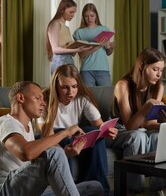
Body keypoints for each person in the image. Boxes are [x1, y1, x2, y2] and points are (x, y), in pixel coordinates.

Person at [0, 81, 104, 196]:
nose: (43, 103)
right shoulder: (7, 123)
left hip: (23, 188)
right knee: (55, 152)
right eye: (38, 98)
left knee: (94, 187)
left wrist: (66, 153)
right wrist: (65, 133)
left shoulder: (28, 125)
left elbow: (36, 162)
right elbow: (26, 152)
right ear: (21, 98)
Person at [41, 64, 118, 196]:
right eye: (65, 87)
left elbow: (99, 126)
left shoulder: (82, 99)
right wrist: (65, 148)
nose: (70, 92)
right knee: (65, 136)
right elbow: (46, 136)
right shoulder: (44, 100)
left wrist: (108, 131)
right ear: (56, 86)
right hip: (52, 138)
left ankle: (98, 191)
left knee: (96, 136)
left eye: (74, 86)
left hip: (73, 136)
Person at [108, 47, 166, 194]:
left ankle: (158, 190)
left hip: (141, 128)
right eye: (155, 69)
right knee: (138, 135)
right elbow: (129, 126)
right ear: (142, 66)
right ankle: (135, 189)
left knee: (158, 136)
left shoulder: (158, 87)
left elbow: (150, 123)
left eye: (161, 70)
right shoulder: (123, 85)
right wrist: (146, 107)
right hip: (117, 131)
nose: (159, 75)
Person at [45, 0, 92, 74]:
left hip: (69, 61)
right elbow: (55, 49)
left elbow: (71, 53)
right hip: (60, 62)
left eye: (74, 13)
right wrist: (76, 50)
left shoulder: (67, 28)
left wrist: (76, 47)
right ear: (62, 10)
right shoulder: (55, 24)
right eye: (71, 12)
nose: (73, 15)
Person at [73, 3, 115, 86]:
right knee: (88, 97)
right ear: (83, 17)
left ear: (96, 16)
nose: (89, 19)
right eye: (86, 16)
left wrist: (110, 47)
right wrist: (98, 46)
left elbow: (109, 53)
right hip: (86, 71)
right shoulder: (78, 32)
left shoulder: (104, 29)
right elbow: (82, 55)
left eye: (92, 16)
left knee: (106, 97)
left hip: (103, 69)